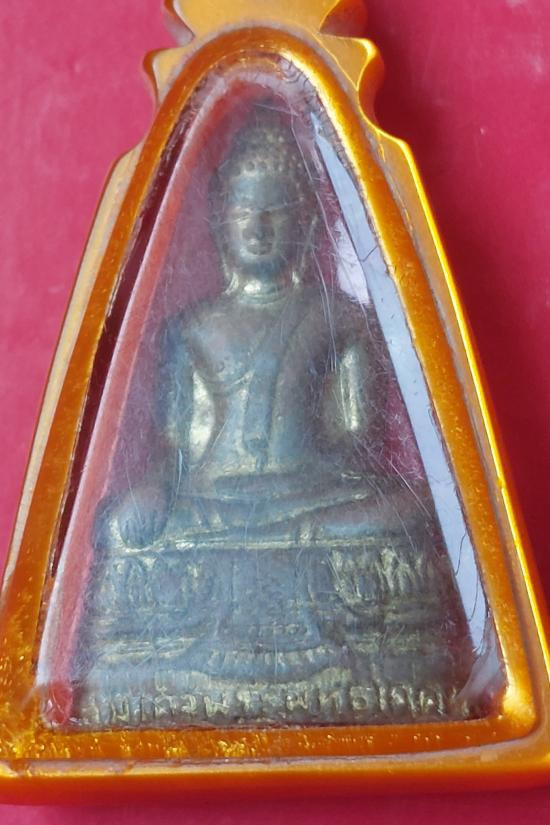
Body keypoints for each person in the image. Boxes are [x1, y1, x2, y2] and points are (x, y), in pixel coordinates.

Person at [74, 109, 474, 729]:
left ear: (308, 221)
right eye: (244, 211)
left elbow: (357, 442)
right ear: (219, 220)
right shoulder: (191, 328)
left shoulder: (343, 318)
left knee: (414, 518)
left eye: (275, 210)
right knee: (121, 530)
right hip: (213, 505)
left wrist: (325, 497)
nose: (258, 227)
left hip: (310, 500)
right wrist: (152, 492)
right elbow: (173, 446)